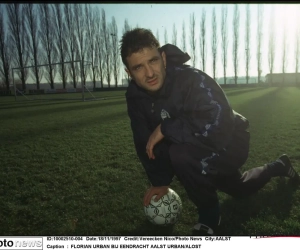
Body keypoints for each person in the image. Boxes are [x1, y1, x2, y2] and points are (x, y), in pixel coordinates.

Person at [120, 28, 299, 235]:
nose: (149, 73)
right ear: (129, 73)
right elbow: (145, 139)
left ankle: (209, 213)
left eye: (152, 61)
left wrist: (167, 127)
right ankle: (279, 166)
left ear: (163, 58)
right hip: (198, 146)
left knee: (180, 153)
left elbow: (218, 120)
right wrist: (160, 181)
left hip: (231, 138)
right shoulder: (135, 98)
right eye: (139, 67)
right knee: (239, 189)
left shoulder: (192, 79)